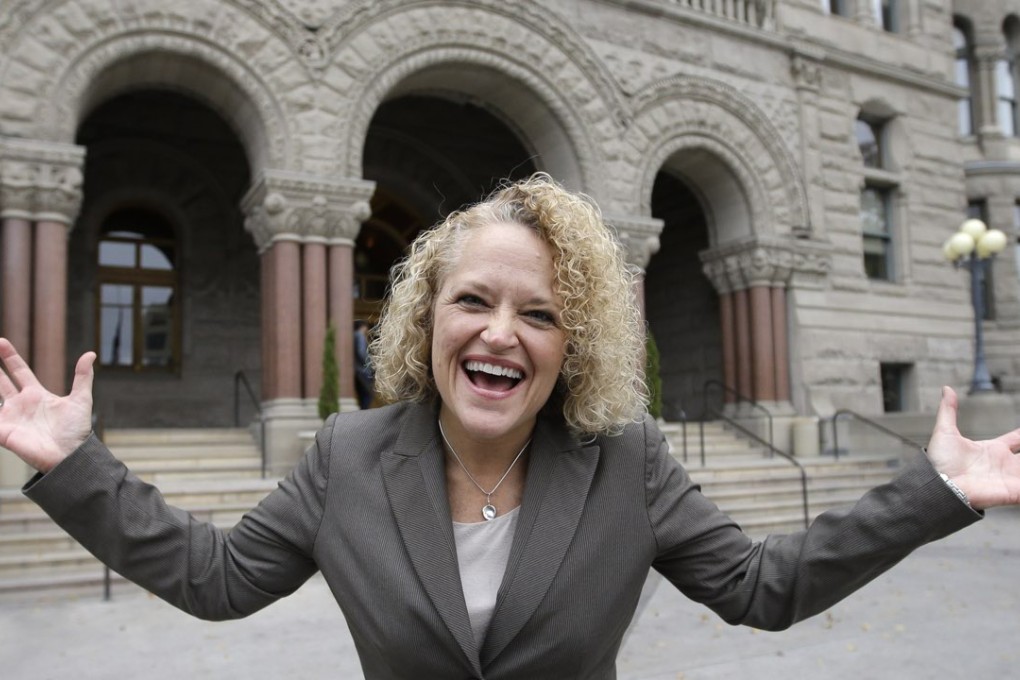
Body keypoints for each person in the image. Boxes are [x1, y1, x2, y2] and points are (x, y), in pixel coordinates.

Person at [1, 173, 1019, 679]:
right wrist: (74, 463)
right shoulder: (348, 457)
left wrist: (934, 492)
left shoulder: (628, 461)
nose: (502, 332)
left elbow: (766, 585)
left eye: (539, 312)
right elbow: (215, 578)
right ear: (426, 318)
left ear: (572, 345)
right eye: (473, 301)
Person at [353, 319, 374, 409]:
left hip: (356, 371)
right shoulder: (360, 335)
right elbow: (361, 352)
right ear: (363, 327)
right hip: (363, 371)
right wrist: (370, 363)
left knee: (362, 396)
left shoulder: (353, 336)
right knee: (367, 396)